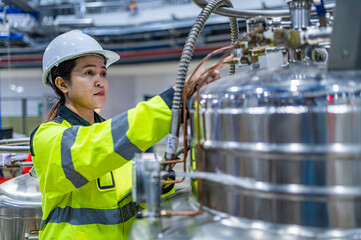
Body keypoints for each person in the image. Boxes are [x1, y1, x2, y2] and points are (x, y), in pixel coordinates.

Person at [30, 30, 176, 240]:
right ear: (62, 84)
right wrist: (168, 105)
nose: (100, 81)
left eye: (103, 73)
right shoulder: (47, 137)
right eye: (89, 73)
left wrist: (160, 188)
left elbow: (131, 206)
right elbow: (92, 148)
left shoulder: (114, 138)